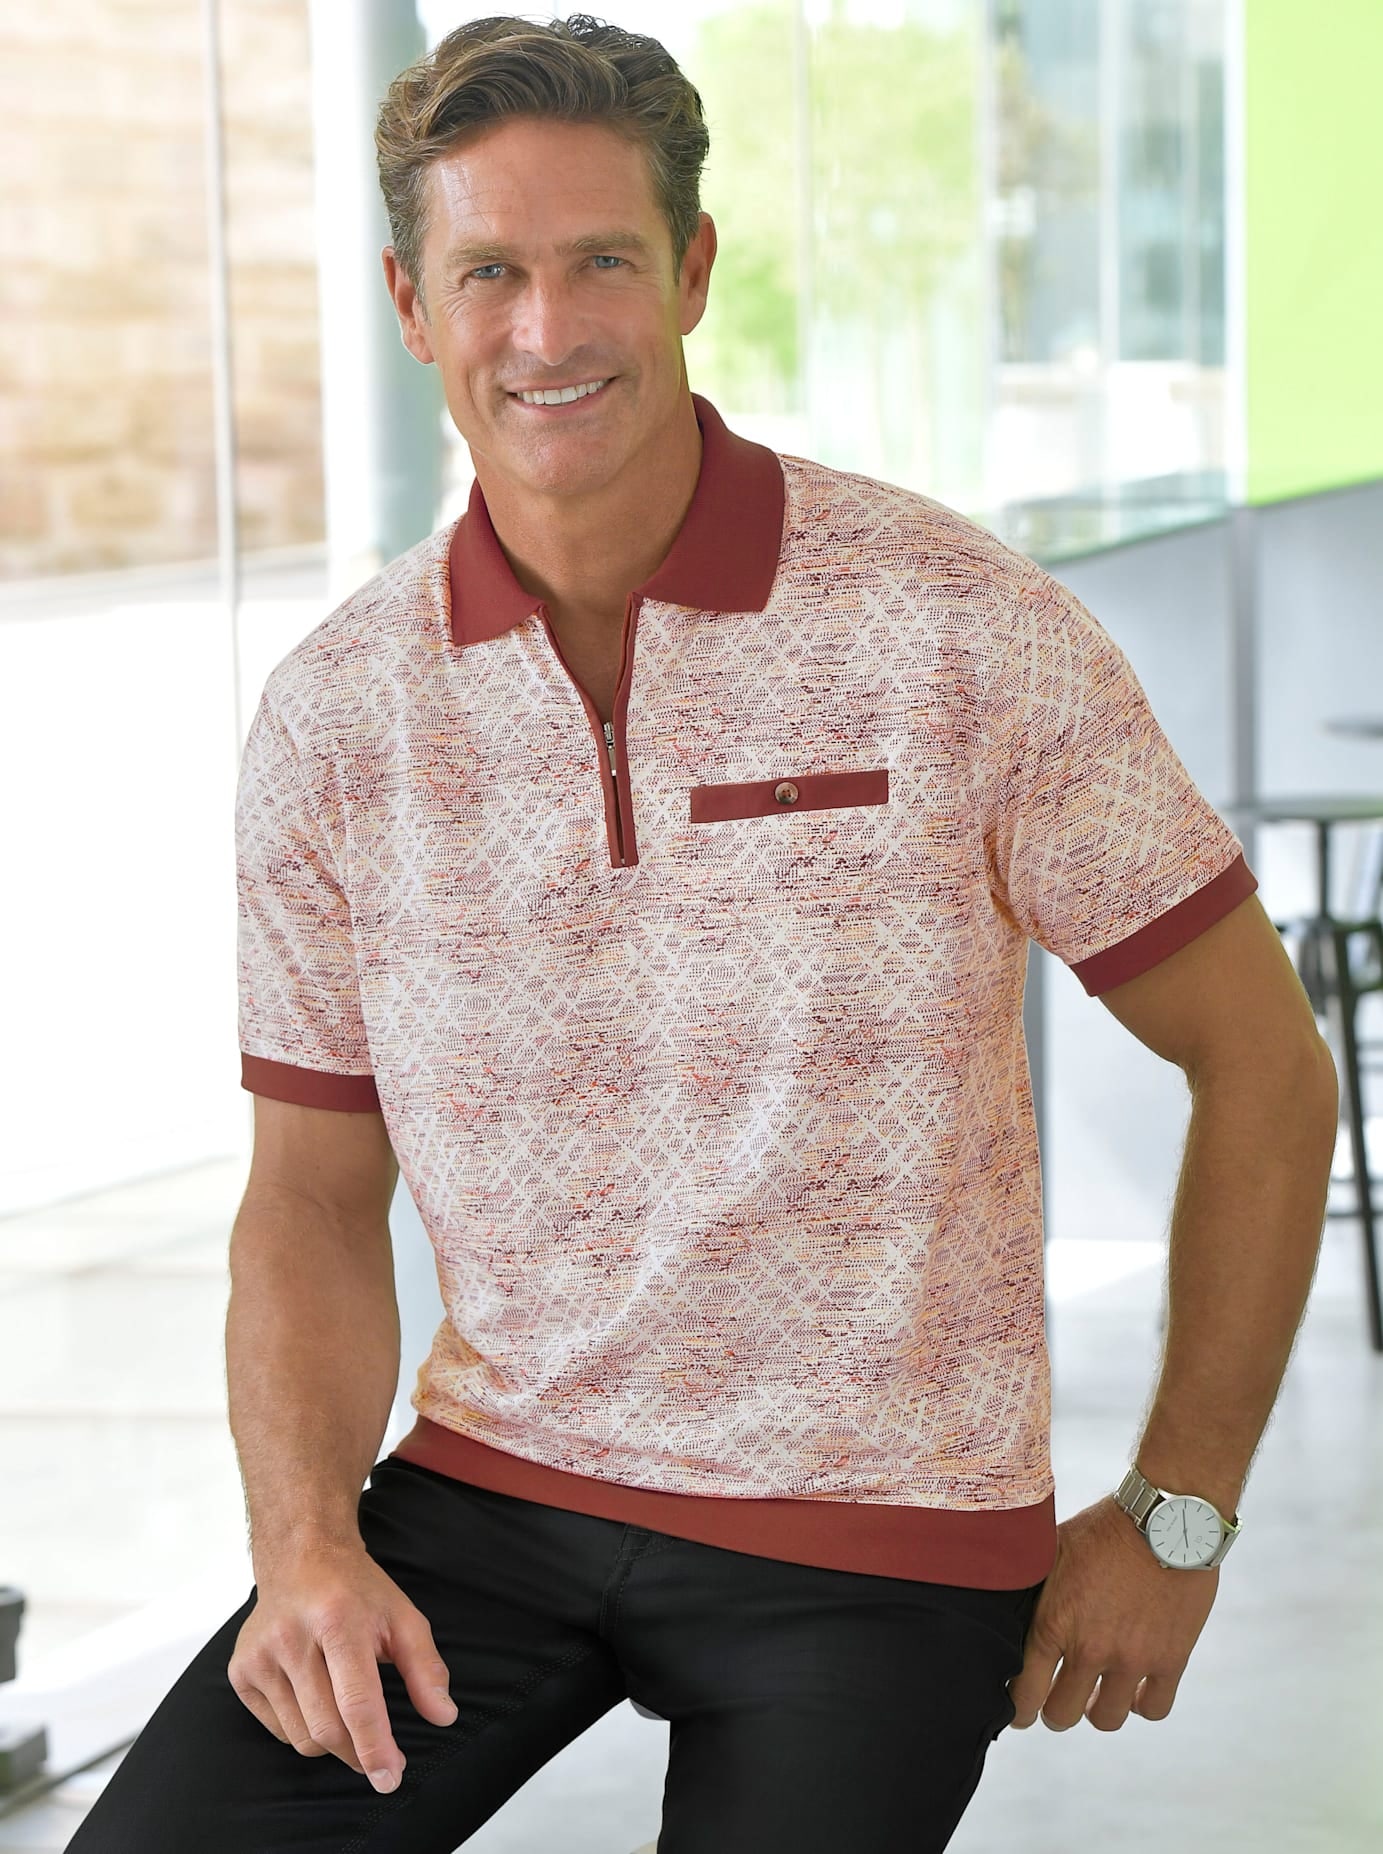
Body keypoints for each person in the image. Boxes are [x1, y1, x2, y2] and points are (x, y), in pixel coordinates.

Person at [69, 13, 1337, 1853]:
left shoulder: (960, 628)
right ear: (413, 305)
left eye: (601, 260)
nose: (547, 328)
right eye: (489, 272)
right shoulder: (339, 718)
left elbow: (1264, 1065)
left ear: (692, 273)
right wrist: (305, 1545)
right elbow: (314, 1198)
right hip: (498, 1488)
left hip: (881, 1529)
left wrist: (1180, 1508)